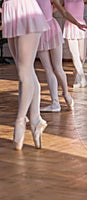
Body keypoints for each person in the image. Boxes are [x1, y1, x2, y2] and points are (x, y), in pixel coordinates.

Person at [1, 0, 49, 150]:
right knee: (26, 71)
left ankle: (20, 120)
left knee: (24, 73)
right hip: (11, 11)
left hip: (26, 10)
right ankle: (35, 119)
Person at [36, 0, 87, 112]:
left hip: (47, 30)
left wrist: (77, 23)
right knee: (51, 68)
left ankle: (64, 96)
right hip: (41, 31)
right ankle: (59, 100)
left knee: (54, 68)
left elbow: (64, 12)